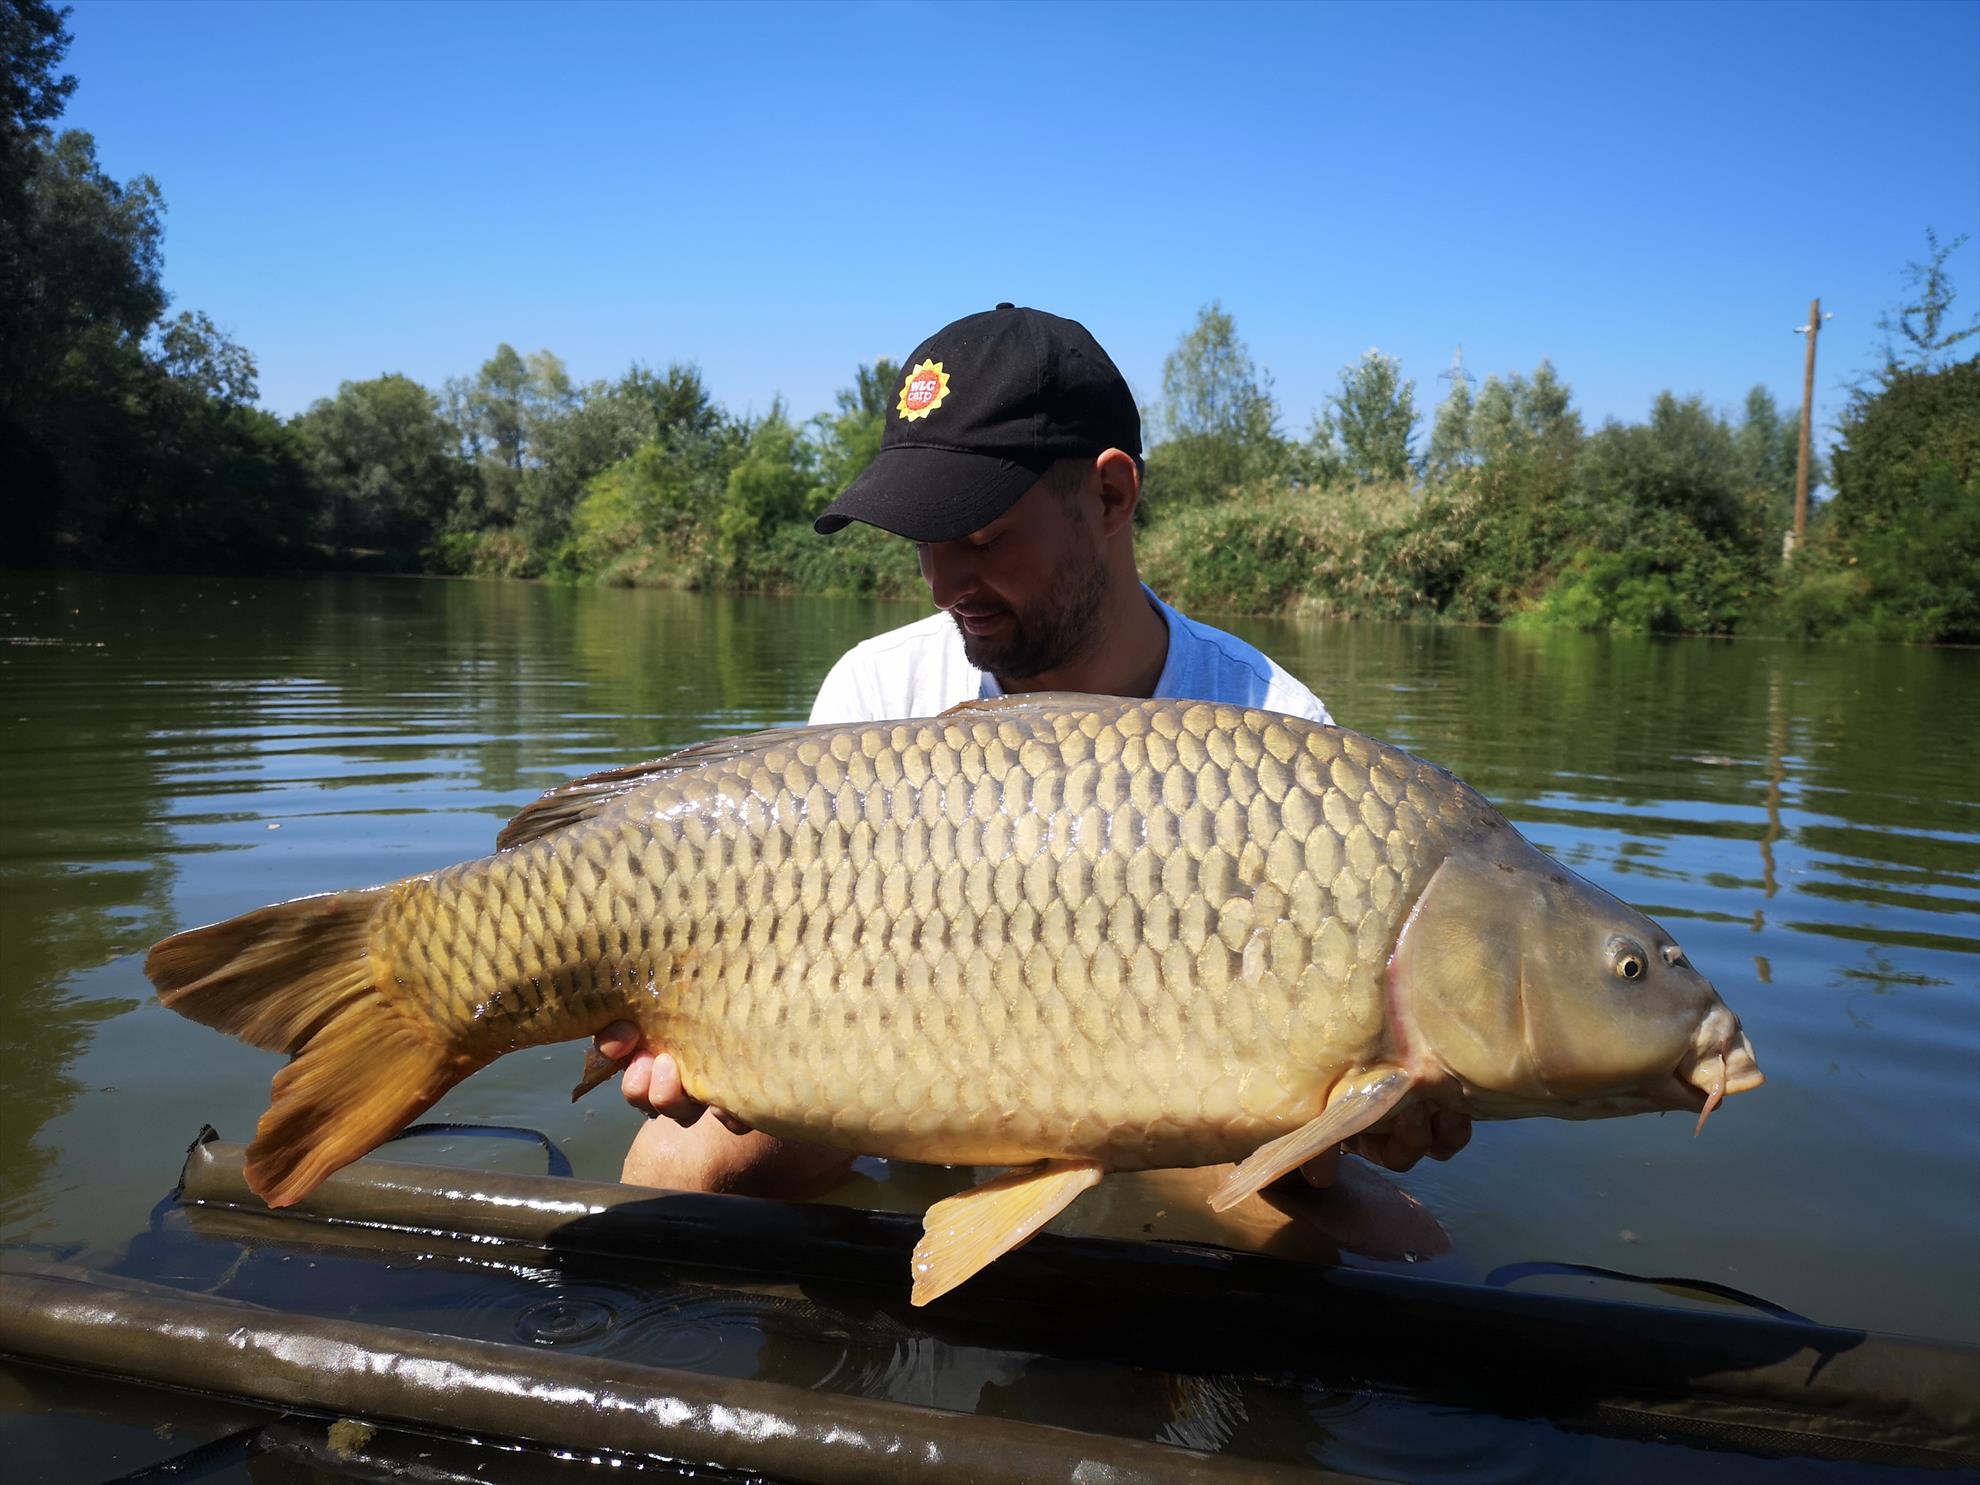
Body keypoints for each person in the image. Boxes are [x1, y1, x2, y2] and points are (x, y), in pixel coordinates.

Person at [593, 304, 1470, 1202]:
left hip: (1174, 1118)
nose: (944, 584)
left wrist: (1361, 1114)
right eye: (924, 541)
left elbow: (1316, 1079)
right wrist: (723, 1046)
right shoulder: (877, 692)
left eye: (981, 536)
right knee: (675, 1167)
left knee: (1382, 1250)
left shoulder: (1283, 737)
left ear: (1111, 495)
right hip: (899, 1085)